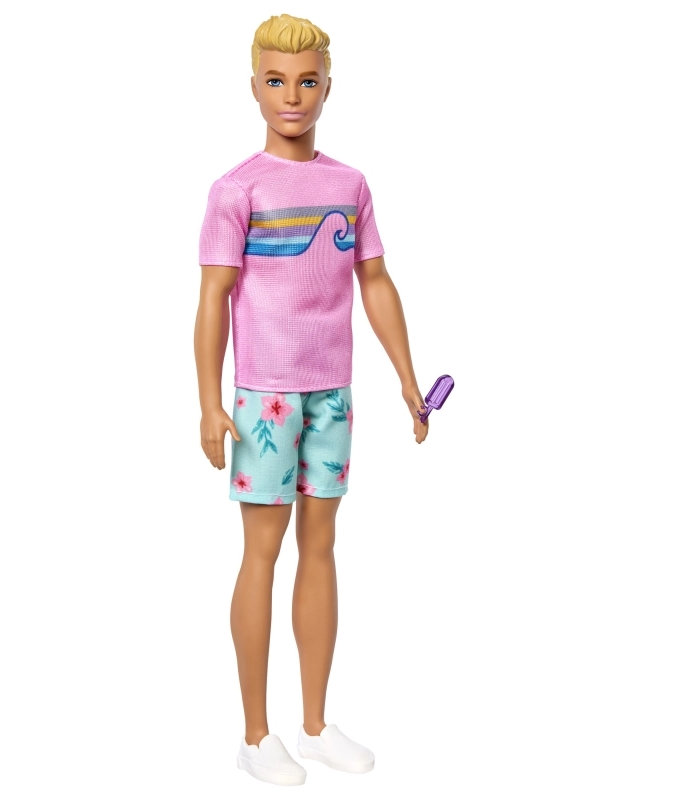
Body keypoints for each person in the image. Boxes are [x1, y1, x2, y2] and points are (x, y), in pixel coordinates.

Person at [192, 13, 429, 786]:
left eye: (305, 81)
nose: (291, 96)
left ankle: (316, 724)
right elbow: (213, 297)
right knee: (261, 552)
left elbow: (375, 281)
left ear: (328, 87)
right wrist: (208, 400)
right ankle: (255, 733)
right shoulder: (237, 190)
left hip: (332, 393)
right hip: (264, 399)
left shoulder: (348, 186)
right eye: (275, 80)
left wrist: (406, 376)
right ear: (254, 88)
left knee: (321, 547)